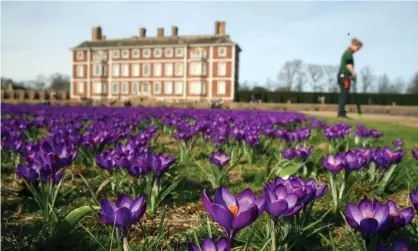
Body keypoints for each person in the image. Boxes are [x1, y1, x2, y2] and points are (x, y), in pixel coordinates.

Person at [337, 38, 363, 118]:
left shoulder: (348, 53)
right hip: (344, 77)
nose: (357, 50)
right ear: (355, 45)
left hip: (344, 76)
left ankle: (341, 112)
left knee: (344, 94)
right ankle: (341, 113)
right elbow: (348, 66)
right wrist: (354, 74)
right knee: (344, 94)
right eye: (358, 48)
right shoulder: (348, 53)